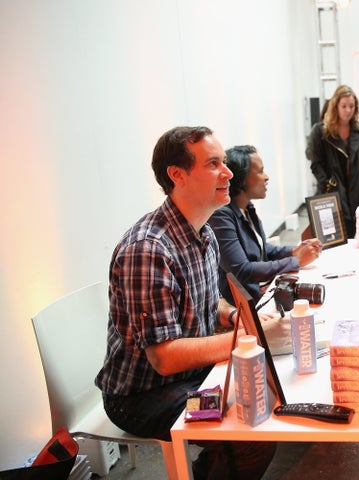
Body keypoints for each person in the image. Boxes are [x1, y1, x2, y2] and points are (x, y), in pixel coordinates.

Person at [95, 126, 277, 479]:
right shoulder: (148, 250)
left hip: (188, 379)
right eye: (213, 164)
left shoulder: (203, 231)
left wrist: (238, 316)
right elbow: (164, 358)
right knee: (249, 433)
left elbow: (210, 306)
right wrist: (244, 340)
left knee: (261, 400)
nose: (227, 172)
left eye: (224, 162)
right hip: (142, 397)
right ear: (177, 175)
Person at [209, 145, 322, 305]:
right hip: (244, 306)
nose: (266, 177)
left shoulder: (247, 207)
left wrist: (294, 251)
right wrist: (296, 261)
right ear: (241, 179)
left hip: (261, 290)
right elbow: (242, 270)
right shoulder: (221, 215)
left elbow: (263, 249)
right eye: (260, 172)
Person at [306, 85, 359, 238]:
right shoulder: (320, 131)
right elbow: (316, 164)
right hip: (332, 192)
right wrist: (328, 184)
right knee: (333, 239)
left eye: (351, 106)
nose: (348, 110)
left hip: (358, 191)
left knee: (357, 237)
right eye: (344, 106)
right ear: (335, 106)